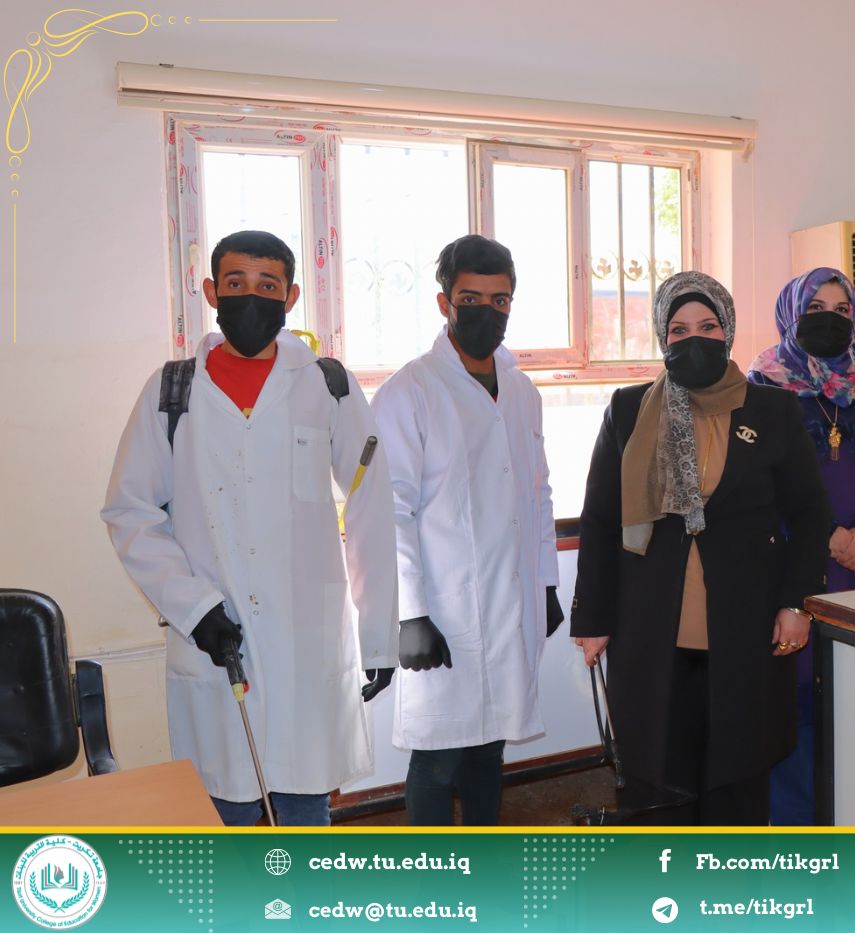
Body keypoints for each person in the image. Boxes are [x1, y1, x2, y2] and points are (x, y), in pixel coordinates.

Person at [102, 230, 397, 826]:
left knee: (304, 806)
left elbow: (371, 502)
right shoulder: (171, 390)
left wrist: (379, 633)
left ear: (291, 297)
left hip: (305, 640)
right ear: (212, 292)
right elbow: (130, 511)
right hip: (216, 637)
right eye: (236, 283)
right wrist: (194, 609)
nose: (251, 298)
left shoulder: (328, 385)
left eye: (268, 286)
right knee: (226, 811)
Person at [570, 271, 831, 826]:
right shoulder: (628, 409)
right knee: (657, 778)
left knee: (738, 773)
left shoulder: (774, 410)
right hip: (650, 626)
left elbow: (811, 514)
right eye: (680, 329)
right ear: (663, 338)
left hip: (745, 626)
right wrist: (592, 619)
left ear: (727, 331)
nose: (695, 339)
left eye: (708, 326)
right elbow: (600, 519)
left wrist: (797, 603)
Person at [371, 234, 562, 826]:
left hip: (511, 599)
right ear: (444, 302)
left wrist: (546, 583)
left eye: (499, 300)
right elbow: (388, 511)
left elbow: (538, 493)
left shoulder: (522, 391)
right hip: (442, 607)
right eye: (471, 298)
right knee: (436, 758)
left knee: (489, 748)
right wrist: (410, 614)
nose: (487, 311)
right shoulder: (409, 391)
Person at [748, 266, 855, 824]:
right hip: (796, 573)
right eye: (815, 308)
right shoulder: (761, 388)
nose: (830, 319)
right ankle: (798, 837)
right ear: (790, 315)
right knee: (795, 714)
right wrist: (825, 536)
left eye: (841, 309)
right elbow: (756, 481)